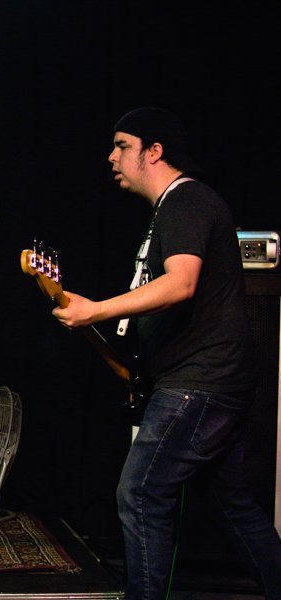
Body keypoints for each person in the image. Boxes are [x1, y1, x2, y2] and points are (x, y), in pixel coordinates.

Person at [52, 107, 281, 600]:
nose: (111, 157)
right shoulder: (173, 209)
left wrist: (97, 310)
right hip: (211, 380)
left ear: (154, 152)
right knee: (233, 502)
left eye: (122, 146)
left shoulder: (187, 200)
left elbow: (181, 284)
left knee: (140, 493)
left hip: (202, 381)